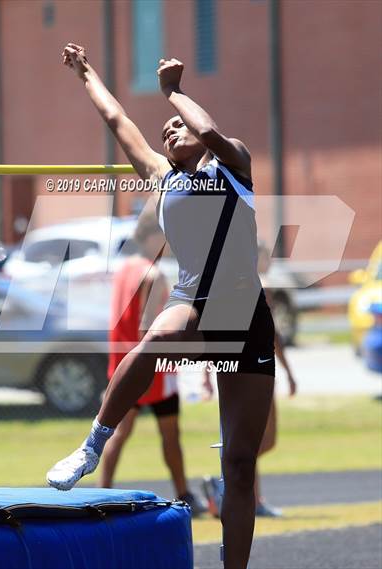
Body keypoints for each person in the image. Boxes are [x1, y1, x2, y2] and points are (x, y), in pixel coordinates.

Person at [47, 43, 276, 569]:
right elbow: (116, 116)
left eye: (178, 125)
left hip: (246, 321)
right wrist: (85, 74)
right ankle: (92, 445)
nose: (168, 130)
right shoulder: (161, 176)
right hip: (193, 302)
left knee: (240, 466)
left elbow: (213, 132)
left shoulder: (233, 166)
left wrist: (176, 92)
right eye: (165, 128)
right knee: (160, 338)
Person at [100, 214, 206, 516]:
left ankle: (101, 494)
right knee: (170, 433)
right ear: (149, 237)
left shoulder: (124, 270)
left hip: (123, 363)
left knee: (116, 431)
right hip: (153, 367)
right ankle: (184, 493)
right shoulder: (153, 273)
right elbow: (148, 328)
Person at [202, 242, 297, 518]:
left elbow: (214, 334)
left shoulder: (225, 286)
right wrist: (289, 372)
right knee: (260, 441)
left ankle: (250, 496)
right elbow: (273, 336)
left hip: (235, 372)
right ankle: (228, 486)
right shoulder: (260, 286)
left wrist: (207, 376)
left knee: (250, 441)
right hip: (257, 372)